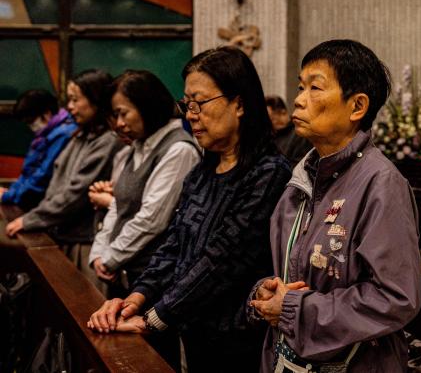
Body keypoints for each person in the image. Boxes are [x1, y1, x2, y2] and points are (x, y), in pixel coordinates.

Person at [87, 46, 292, 372]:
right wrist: (135, 299)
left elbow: (222, 260)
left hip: (239, 341)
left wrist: (153, 319)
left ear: (238, 103)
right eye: (187, 104)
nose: (190, 114)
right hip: (193, 330)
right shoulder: (202, 170)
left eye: (200, 103)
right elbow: (174, 244)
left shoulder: (268, 173)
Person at [249, 40, 421, 372]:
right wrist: (267, 291)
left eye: (315, 88)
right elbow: (292, 271)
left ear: (357, 106)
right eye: (301, 87)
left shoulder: (381, 183)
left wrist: (293, 308)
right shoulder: (302, 177)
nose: (299, 100)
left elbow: (395, 298)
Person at [5, 70, 122, 287]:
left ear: (97, 100)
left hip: (85, 243)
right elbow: (57, 185)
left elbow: (75, 193)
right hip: (65, 235)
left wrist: (30, 219)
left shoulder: (108, 141)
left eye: (75, 100)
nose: (70, 107)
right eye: (69, 100)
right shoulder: (80, 135)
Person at [88, 70, 200, 296]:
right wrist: (99, 253)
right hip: (124, 270)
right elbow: (118, 207)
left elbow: (152, 219)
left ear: (147, 106)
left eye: (123, 113)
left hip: (154, 279)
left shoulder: (179, 149)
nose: (118, 124)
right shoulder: (137, 147)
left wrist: (111, 258)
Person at [0, 90, 77, 219]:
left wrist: (9, 195)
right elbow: (28, 172)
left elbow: (42, 176)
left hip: (45, 206)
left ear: (46, 114)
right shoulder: (45, 135)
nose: (31, 126)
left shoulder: (63, 135)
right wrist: (11, 192)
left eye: (31, 121)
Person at [265, 95, 312, 166]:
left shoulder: (300, 133)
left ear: (282, 112)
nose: (268, 122)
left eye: (271, 118)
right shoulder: (271, 135)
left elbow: (300, 163)